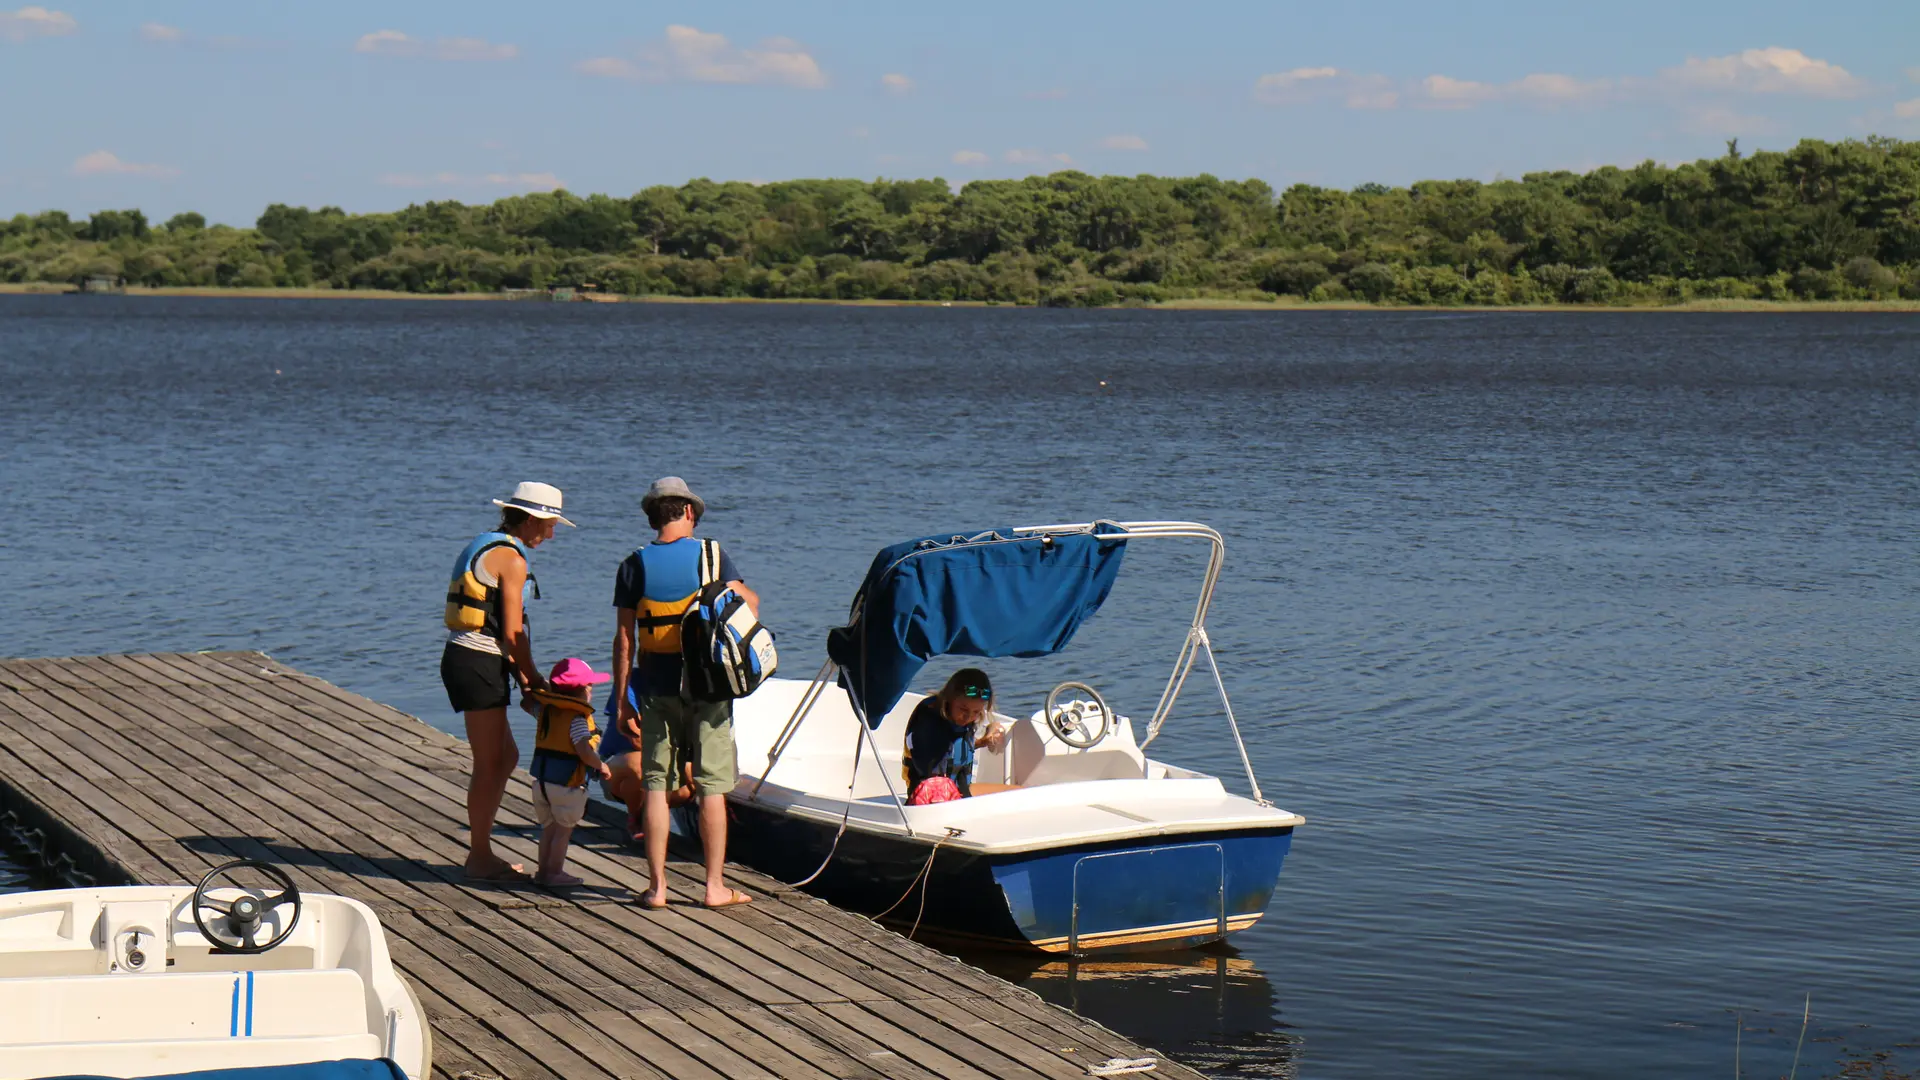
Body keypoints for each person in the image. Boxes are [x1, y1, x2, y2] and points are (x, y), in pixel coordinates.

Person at [610, 477, 759, 909]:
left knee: (656, 784)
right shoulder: (712, 556)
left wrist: (623, 700)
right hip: (709, 688)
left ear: (653, 516)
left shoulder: (633, 565)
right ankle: (714, 888)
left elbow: (624, 642)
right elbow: (748, 608)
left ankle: (657, 889)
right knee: (712, 786)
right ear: (689, 512)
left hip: (656, 688)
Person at [439, 481, 572, 882]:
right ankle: (479, 856)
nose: (550, 534)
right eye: (549, 526)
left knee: (505, 758)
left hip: (476, 659)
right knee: (489, 762)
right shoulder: (512, 560)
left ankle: (482, 851)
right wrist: (535, 681)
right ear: (532, 519)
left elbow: (504, 633)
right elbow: (513, 633)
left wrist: (523, 676)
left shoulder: (486, 542)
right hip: (477, 662)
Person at [521, 658, 615, 887]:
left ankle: (543, 872)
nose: (591, 690)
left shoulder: (547, 711)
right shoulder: (578, 719)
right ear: (583, 691)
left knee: (548, 830)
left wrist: (533, 686)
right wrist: (600, 765)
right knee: (562, 833)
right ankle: (554, 873)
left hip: (542, 783)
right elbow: (583, 749)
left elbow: (527, 704)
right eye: (590, 686)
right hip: (566, 786)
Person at [903, 667, 1009, 803]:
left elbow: (955, 749)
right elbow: (936, 761)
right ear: (948, 699)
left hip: (958, 791)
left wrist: (983, 741)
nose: (968, 716)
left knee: (1020, 791)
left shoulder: (958, 721)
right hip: (931, 796)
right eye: (963, 709)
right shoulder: (928, 722)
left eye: (976, 711)